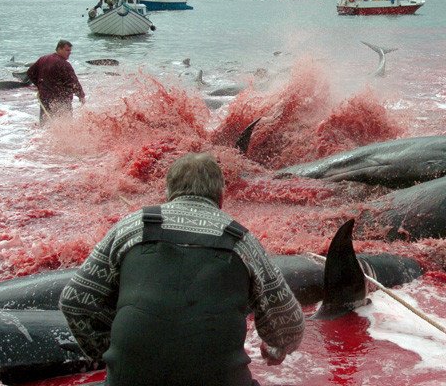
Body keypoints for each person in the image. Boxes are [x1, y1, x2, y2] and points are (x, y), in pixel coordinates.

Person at [59, 153, 305, 386]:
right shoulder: (241, 240)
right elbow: (290, 323)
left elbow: (74, 301)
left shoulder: (132, 227)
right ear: (220, 197)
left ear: (168, 193)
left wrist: (107, 349)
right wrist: (276, 348)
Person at [26, 40, 85, 125]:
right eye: (67, 50)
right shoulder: (64, 64)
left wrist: (40, 86)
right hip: (60, 100)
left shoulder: (43, 59)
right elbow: (73, 82)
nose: (69, 53)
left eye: (70, 51)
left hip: (45, 98)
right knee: (65, 125)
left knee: (45, 124)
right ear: (59, 49)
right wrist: (81, 95)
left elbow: (30, 73)